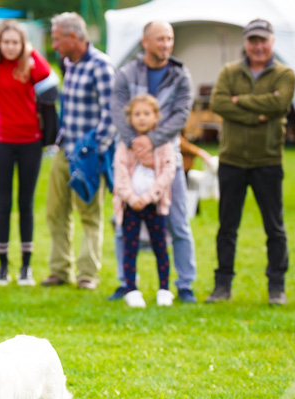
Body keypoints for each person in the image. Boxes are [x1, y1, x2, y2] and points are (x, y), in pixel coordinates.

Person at [207, 19, 295, 305]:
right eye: (253, 41)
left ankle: (276, 287)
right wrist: (257, 113)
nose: (258, 46)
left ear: (272, 42)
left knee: (274, 226)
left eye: (263, 41)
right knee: (227, 226)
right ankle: (222, 286)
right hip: (232, 160)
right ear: (245, 43)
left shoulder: (285, 74)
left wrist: (239, 102)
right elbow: (218, 103)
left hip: (267, 160)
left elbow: (279, 105)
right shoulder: (229, 71)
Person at [110, 20, 198, 303]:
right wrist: (137, 144)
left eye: (169, 39)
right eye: (160, 39)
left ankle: (184, 284)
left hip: (167, 157)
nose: (166, 44)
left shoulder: (180, 75)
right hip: (129, 156)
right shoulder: (126, 73)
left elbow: (181, 115)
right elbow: (117, 110)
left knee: (179, 222)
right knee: (124, 223)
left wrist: (152, 140)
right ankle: (126, 283)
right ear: (145, 42)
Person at [41, 12, 116, 290]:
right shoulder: (69, 63)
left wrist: (99, 151)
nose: (54, 44)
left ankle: (87, 274)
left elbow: (112, 114)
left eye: (57, 38)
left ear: (74, 37)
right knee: (55, 211)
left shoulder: (101, 66)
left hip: (88, 155)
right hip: (64, 150)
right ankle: (60, 270)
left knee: (89, 214)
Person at [0, 21, 52, 286]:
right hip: (2, 142)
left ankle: (26, 268)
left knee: (26, 204)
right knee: (5, 204)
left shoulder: (29, 65)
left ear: (23, 45)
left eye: (15, 43)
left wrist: (29, 51)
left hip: (30, 142)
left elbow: (47, 73)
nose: (9, 47)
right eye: (5, 42)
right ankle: (3, 266)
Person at [113, 94, 175, 308]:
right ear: (130, 118)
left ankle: (164, 289)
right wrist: (131, 198)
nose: (142, 118)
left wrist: (148, 197)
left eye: (146, 114)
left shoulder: (163, 144)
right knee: (130, 247)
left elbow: (168, 172)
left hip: (154, 205)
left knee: (160, 246)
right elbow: (119, 174)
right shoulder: (124, 145)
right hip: (131, 207)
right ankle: (131, 289)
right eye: (137, 114)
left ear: (156, 117)